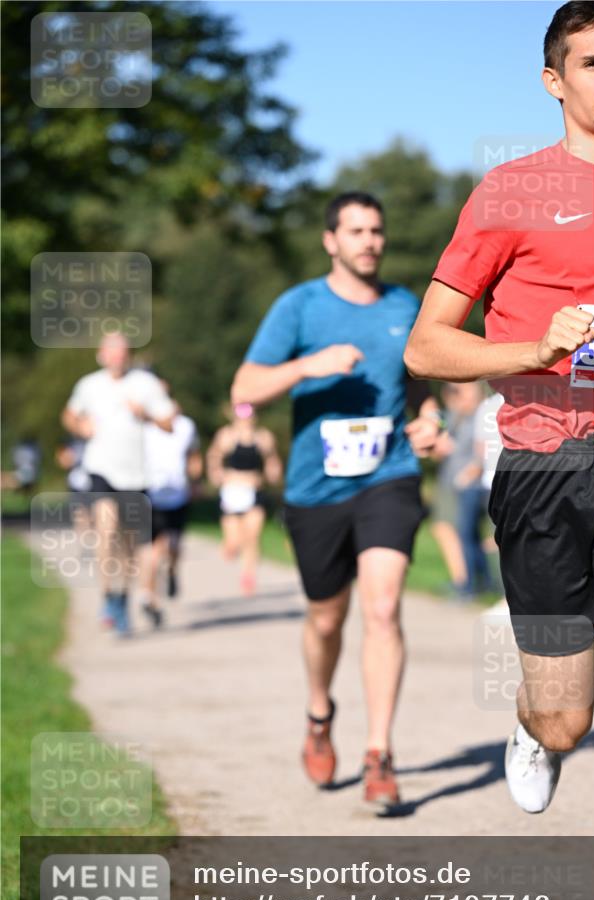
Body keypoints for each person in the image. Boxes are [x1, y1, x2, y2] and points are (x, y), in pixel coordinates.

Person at [404, 3, 594, 900]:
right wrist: (532, 349)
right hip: (549, 470)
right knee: (568, 719)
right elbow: (428, 344)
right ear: (552, 80)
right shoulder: (512, 192)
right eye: (592, 62)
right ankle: (531, 721)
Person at [231, 191, 441, 810]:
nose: (369, 241)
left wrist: (428, 422)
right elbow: (244, 388)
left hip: (388, 477)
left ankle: (380, 752)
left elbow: (420, 385)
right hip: (314, 487)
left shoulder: (405, 306)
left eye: (376, 230)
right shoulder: (298, 306)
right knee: (327, 617)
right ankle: (320, 713)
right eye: (355, 231)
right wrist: (306, 366)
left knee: (382, 608)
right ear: (331, 241)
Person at [61, 332, 175, 634]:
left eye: (122, 352)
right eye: (111, 352)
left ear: (128, 355)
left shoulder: (145, 385)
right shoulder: (89, 384)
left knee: (127, 545)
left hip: (135, 474)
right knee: (106, 530)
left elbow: (169, 423)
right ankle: (107, 595)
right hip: (101, 468)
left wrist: (146, 414)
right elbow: (69, 416)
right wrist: (80, 425)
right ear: (101, 355)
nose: (116, 357)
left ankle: (121, 598)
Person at [142, 381, 203, 625]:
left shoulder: (186, 426)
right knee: (153, 548)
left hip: (178, 494)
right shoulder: (142, 427)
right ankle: (150, 598)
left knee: (174, 546)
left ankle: (172, 571)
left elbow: (194, 455)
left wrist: (196, 480)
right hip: (150, 493)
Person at [206, 401, 282, 596]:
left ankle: (248, 575)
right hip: (232, 492)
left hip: (254, 491)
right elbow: (214, 456)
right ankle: (231, 547)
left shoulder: (263, 437)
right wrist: (216, 473)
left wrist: (274, 472)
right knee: (234, 542)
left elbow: (272, 460)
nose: (246, 417)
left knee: (252, 536)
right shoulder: (226, 436)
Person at [432, 382, 494, 598]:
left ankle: (467, 587)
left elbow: (482, 453)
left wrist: (467, 476)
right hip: (454, 484)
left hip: (472, 486)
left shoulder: (482, 415)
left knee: (467, 535)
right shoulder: (455, 416)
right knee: (470, 536)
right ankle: (483, 582)